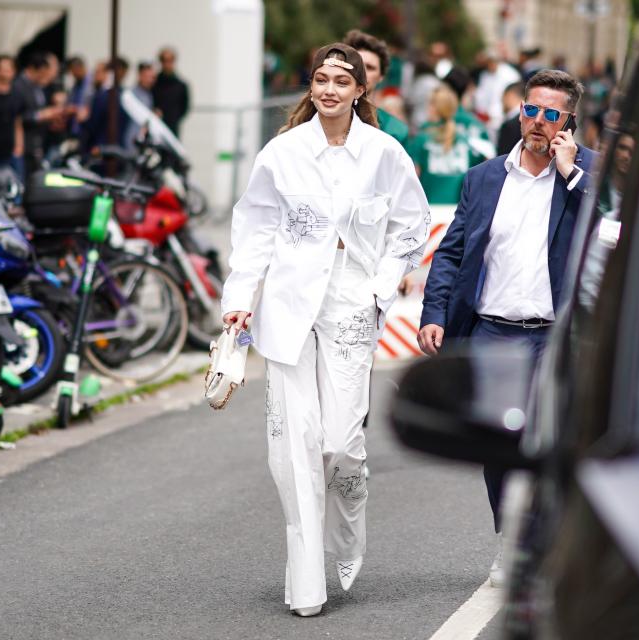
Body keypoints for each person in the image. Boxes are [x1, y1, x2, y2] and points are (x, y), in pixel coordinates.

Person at [220, 43, 429, 617]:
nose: (330, 88)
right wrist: (240, 300)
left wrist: (379, 288)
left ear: (362, 90)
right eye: (321, 78)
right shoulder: (282, 152)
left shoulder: (384, 153)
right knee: (296, 448)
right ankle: (306, 584)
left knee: (340, 445)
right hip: (287, 306)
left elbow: (412, 228)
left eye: (343, 80)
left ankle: (348, 532)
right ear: (310, 88)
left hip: (351, 301)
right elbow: (255, 229)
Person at [416, 69, 596, 587]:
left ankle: (544, 540)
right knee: (499, 446)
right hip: (493, 332)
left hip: (558, 335)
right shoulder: (484, 177)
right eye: (531, 110)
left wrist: (572, 174)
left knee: (547, 442)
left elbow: (609, 232)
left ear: (569, 123)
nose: (538, 122)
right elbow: (452, 253)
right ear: (520, 111)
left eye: (551, 114)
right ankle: (514, 539)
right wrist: (433, 314)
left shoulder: (588, 174)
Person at [409, 85, 487, 204]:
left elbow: (413, 178)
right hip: (460, 211)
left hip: (430, 210)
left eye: (429, 104)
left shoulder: (422, 138)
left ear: (434, 108)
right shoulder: (467, 141)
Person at [343, 29, 409, 148]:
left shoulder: (395, 131)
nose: (362, 71)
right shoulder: (315, 119)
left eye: (370, 67)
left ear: (381, 77)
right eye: (357, 64)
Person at [13, 52, 62, 174]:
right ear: (35, 69)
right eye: (43, 73)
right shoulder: (19, 86)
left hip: (36, 141)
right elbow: (18, 116)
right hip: (24, 143)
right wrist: (41, 115)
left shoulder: (37, 86)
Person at [473, 49, 522, 136]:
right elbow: (481, 96)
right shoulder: (485, 75)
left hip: (505, 117)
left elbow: (515, 95)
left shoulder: (510, 74)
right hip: (488, 120)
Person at [152, 46, 190, 137]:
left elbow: (184, 108)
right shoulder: (154, 83)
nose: (167, 64)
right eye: (164, 60)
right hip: (155, 128)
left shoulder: (181, 85)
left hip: (173, 129)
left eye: (170, 60)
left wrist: (174, 118)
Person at [497, 82, 525, 155]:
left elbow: (502, 156)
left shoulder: (509, 125)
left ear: (510, 95)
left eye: (503, 97)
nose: (501, 101)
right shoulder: (531, 120)